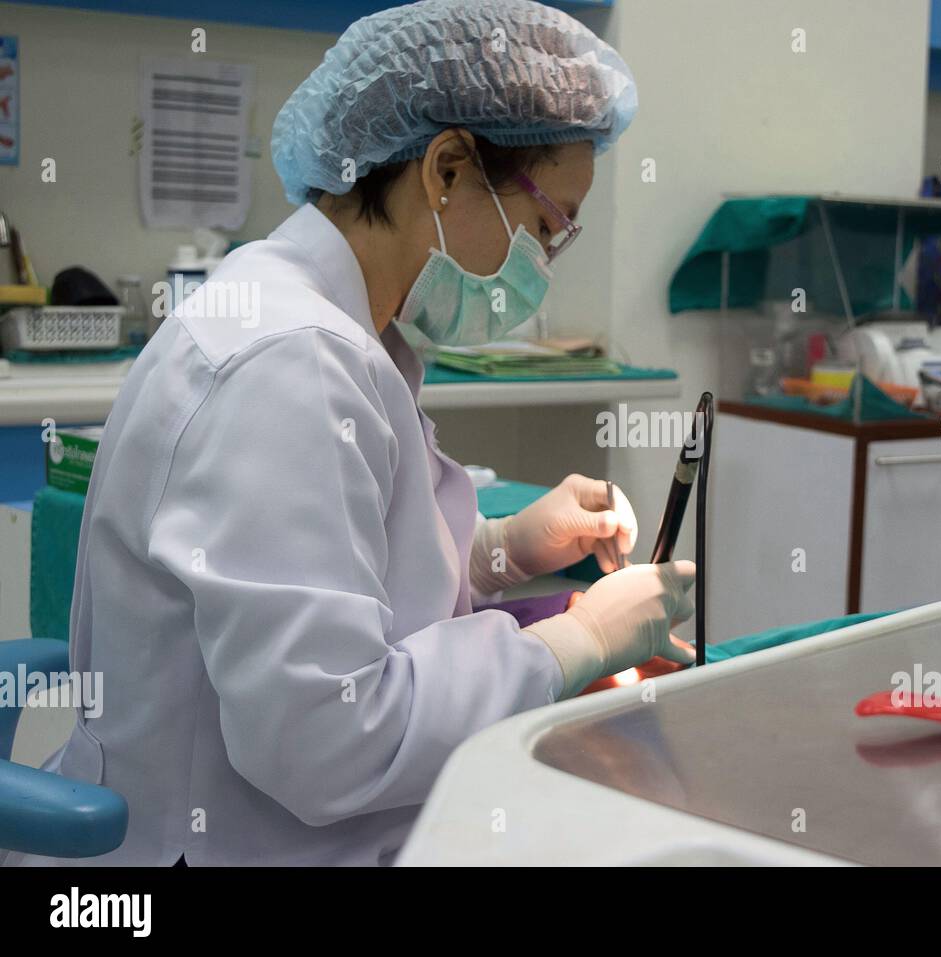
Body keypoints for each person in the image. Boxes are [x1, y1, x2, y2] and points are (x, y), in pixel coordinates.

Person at [9, 0, 693, 867]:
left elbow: (333, 570)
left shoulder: (327, 318)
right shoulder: (290, 366)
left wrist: (503, 550)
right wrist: (577, 640)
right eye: (547, 227)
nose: (540, 270)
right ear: (446, 168)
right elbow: (327, 738)